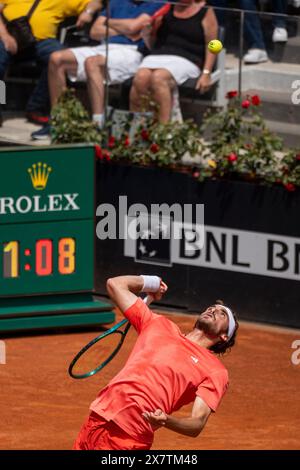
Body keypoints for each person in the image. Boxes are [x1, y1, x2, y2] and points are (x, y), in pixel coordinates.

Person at [74, 274, 239, 450]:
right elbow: (115, 284)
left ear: (224, 336)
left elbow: (197, 424)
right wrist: (151, 283)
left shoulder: (215, 371)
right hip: (97, 420)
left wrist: (167, 420)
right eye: (212, 307)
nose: (213, 310)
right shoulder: (158, 324)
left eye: (222, 314)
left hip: (128, 439)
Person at [31, 0, 162, 140]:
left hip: (132, 52)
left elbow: (133, 27)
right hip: (103, 47)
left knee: (92, 63)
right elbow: (94, 31)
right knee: (56, 59)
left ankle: (98, 124)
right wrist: (127, 28)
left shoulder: (155, 3)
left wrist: (108, 22)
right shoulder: (116, 2)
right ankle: (60, 120)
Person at [0, 0, 102, 126]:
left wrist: (88, 12)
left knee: (58, 57)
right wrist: (5, 36)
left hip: (41, 42)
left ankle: (36, 107)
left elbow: (96, 2)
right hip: (7, 38)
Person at [129, 0, 219, 123]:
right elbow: (154, 42)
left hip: (189, 58)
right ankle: (138, 127)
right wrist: (149, 32)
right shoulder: (166, 9)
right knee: (141, 77)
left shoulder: (205, 11)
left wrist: (207, 72)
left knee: (159, 77)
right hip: (160, 54)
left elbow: (214, 43)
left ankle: (163, 130)